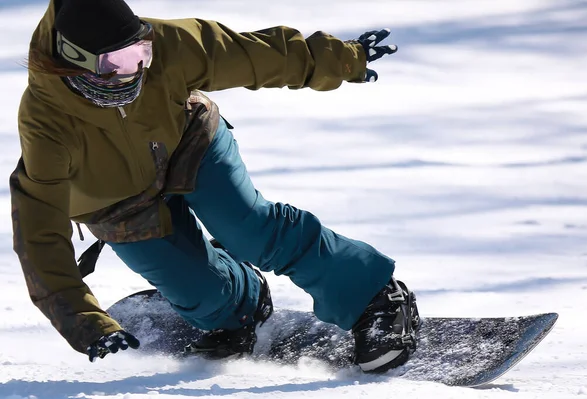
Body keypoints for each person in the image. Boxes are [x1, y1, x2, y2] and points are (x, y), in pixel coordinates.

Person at [11, 0, 420, 373]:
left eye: (140, 53)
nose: (135, 69)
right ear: (76, 60)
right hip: (117, 202)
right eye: (117, 62)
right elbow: (39, 231)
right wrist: (83, 322)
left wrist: (340, 60)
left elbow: (250, 55)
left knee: (249, 229)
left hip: (190, 143)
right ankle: (240, 305)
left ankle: (374, 297)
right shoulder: (45, 122)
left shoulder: (169, 45)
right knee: (200, 293)